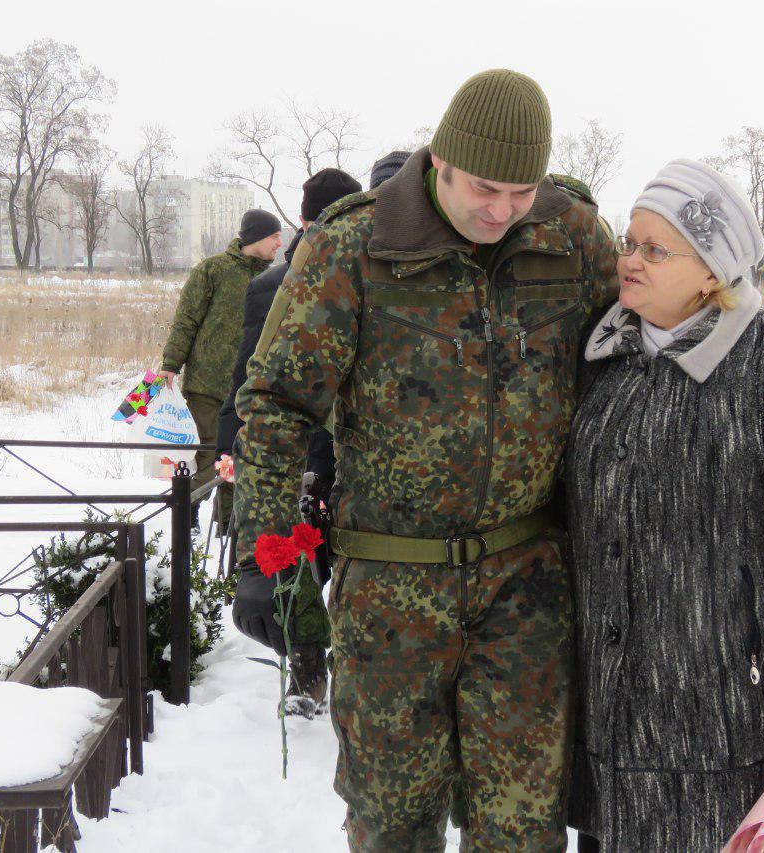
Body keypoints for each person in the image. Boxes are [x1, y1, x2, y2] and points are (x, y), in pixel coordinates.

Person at [230, 69, 618, 849]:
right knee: (392, 820)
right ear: (441, 158)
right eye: (485, 187)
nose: (502, 210)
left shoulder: (569, 234)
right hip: (391, 591)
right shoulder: (353, 247)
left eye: (521, 191)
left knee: (522, 825)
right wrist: (263, 554)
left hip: (527, 588)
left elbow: (629, 362)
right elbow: (275, 403)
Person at [565, 160, 764, 850]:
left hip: (717, 698)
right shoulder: (603, 354)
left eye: (655, 249)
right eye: (629, 242)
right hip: (606, 693)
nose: (630, 261)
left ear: (712, 268)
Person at [221, 167, 363, 717]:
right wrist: (233, 445)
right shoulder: (274, 286)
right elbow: (253, 374)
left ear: (301, 219)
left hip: (302, 454)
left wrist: (233, 444)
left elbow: (244, 379)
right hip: (316, 449)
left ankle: (312, 668)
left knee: (305, 556)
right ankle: (312, 666)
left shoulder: (271, 283)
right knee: (310, 555)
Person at [157, 209, 282, 528]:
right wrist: (171, 364)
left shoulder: (275, 280)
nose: (279, 244)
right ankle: (186, 522)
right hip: (208, 386)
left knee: (237, 462)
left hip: (250, 389)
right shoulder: (212, 270)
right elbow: (187, 320)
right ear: (255, 237)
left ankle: (228, 529)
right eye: (274, 237)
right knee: (206, 460)